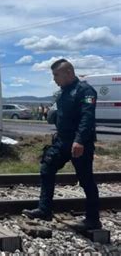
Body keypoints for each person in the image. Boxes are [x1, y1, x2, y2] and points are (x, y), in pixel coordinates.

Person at [22, 59, 101, 230]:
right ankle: (44, 210)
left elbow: (87, 118)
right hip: (63, 141)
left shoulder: (85, 91)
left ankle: (93, 220)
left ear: (68, 72)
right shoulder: (63, 92)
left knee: (86, 179)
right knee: (47, 168)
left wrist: (79, 140)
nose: (54, 79)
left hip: (79, 143)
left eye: (56, 75)